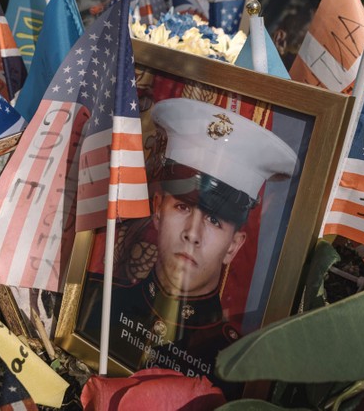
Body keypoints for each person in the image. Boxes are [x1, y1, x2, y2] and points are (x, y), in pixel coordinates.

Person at [78, 98, 298, 396]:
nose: (192, 234)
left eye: (214, 220)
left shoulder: (239, 370)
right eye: (182, 207)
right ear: (157, 211)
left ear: (234, 247)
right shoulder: (90, 299)